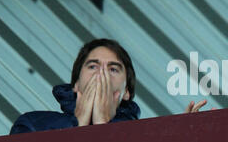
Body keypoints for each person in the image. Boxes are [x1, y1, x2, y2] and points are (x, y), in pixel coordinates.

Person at [10, 39, 140, 135]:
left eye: (113, 69)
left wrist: (103, 127)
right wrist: (76, 125)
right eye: (93, 66)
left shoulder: (144, 136)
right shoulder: (34, 125)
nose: (101, 75)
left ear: (126, 92)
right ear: (76, 84)